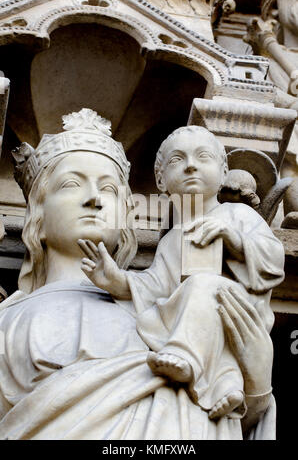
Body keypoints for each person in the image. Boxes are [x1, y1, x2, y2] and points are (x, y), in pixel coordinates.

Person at [0, 112, 278, 439]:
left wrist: (256, 384)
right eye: (71, 184)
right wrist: (119, 282)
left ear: (127, 214)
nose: (94, 199)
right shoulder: (7, 321)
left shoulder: (162, 315)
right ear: (38, 214)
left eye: (108, 189)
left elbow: (228, 419)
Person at [80, 126, 284, 421]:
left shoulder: (237, 215)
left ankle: (186, 356)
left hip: (237, 314)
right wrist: (118, 282)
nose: (191, 165)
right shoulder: (170, 240)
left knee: (203, 286)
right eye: (177, 160)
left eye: (203, 157)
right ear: (161, 180)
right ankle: (226, 387)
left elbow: (273, 259)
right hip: (200, 319)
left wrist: (234, 239)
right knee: (191, 296)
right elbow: (157, 286)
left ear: (223, 169)